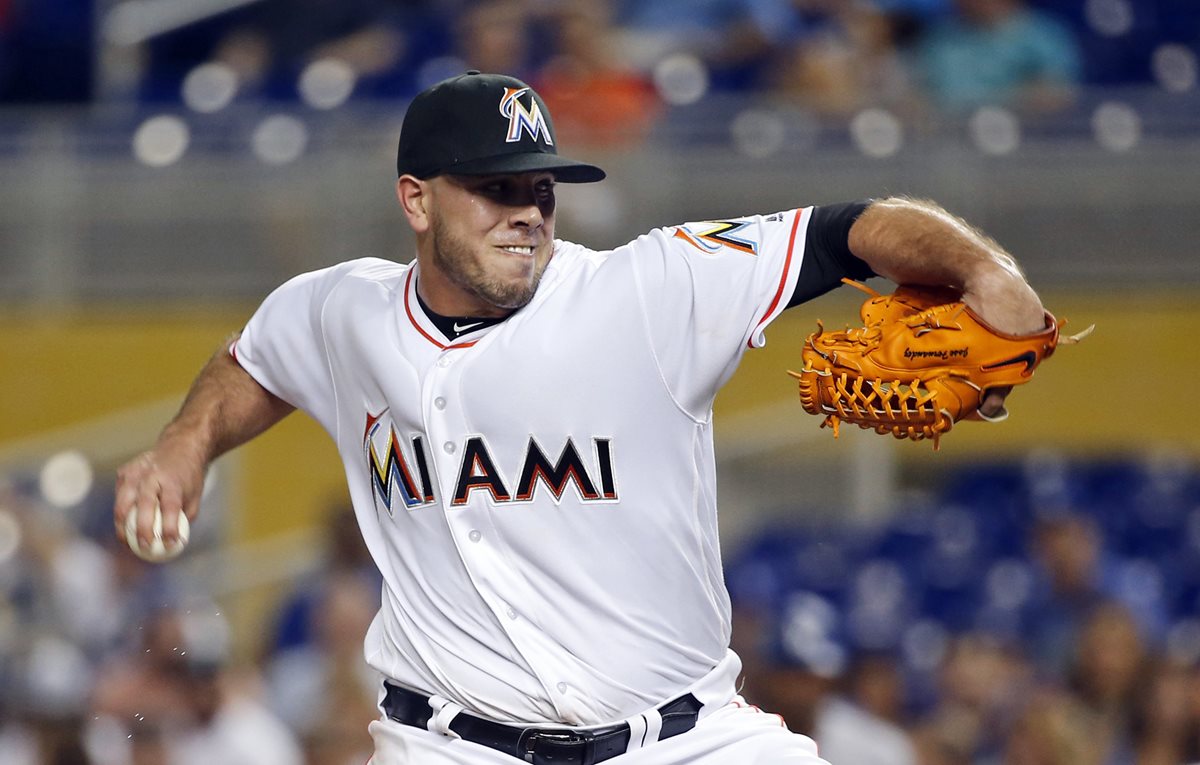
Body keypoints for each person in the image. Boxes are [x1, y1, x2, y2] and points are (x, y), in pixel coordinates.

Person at [114, 70, 1049, 764]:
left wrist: (985, 273)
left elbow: (850, 227)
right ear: (415, 199)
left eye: (541, 188)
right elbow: (253, 363)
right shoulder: (340, 311)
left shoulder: (649, 289)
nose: (528, 212)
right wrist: (182, 445)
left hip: (683, 742)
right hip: (451, 746)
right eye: (497, 188)